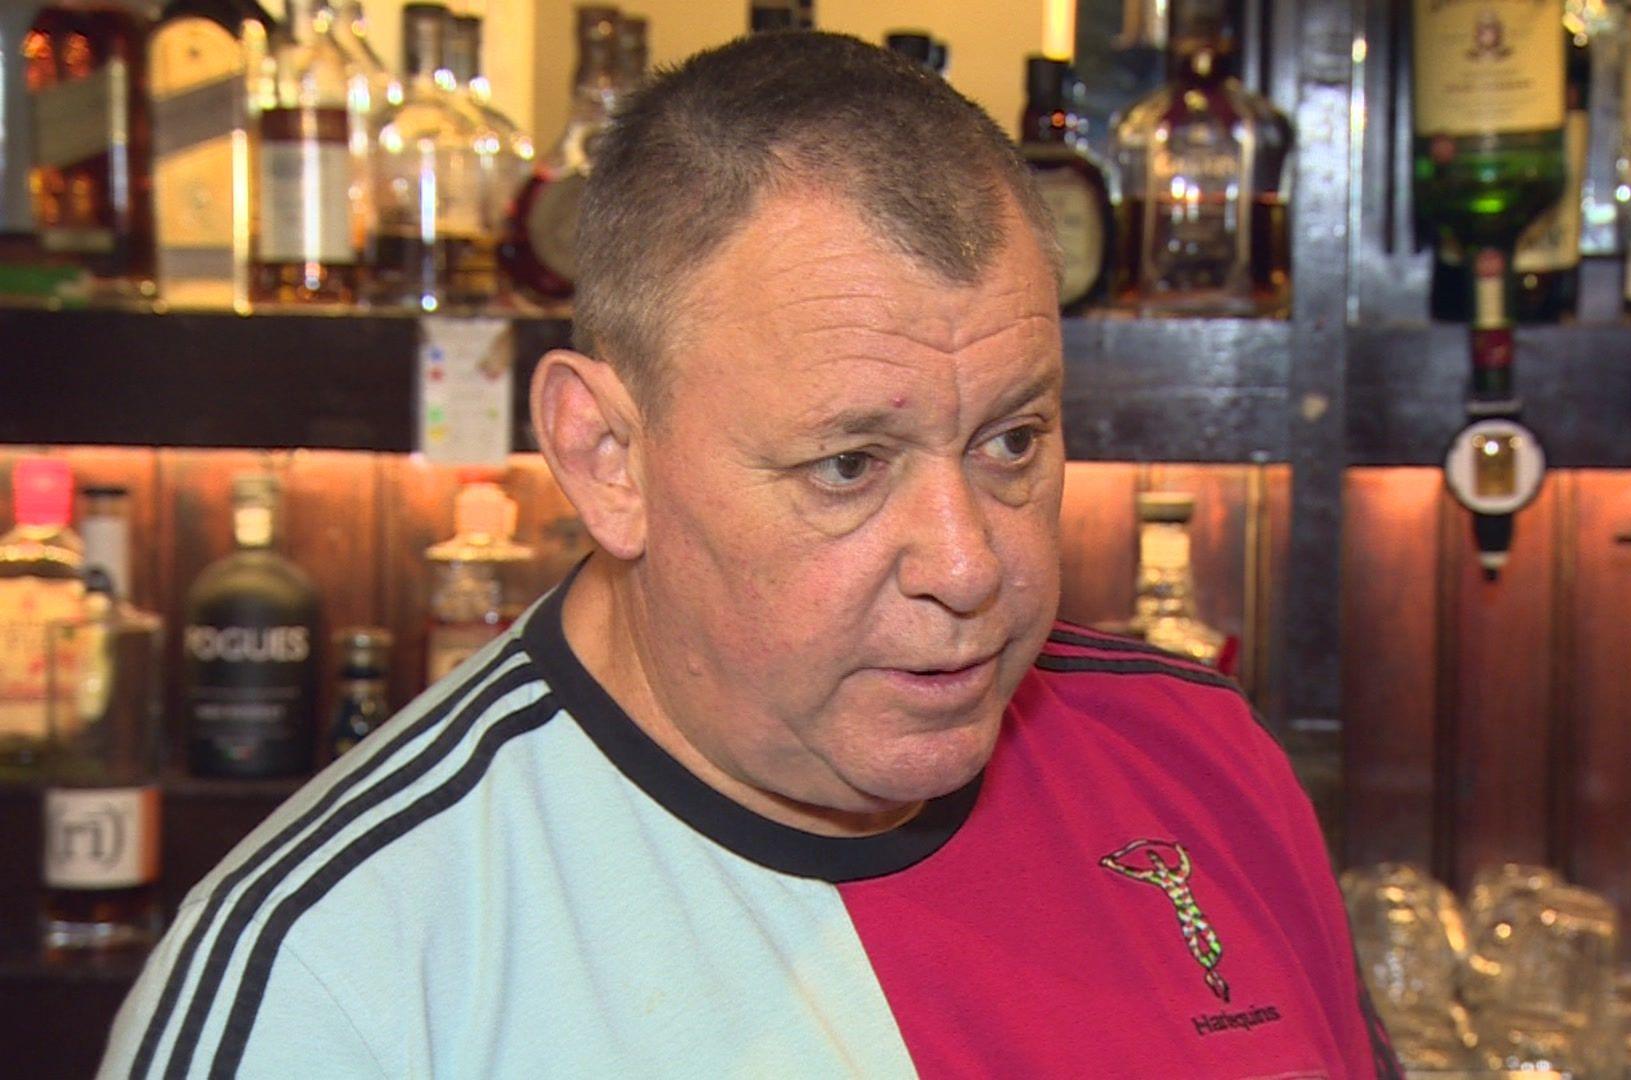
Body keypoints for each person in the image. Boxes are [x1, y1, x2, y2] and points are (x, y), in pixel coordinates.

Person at [101, 32, 1397, 1078]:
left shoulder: (1203, 764)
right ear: (608, 456)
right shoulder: (338, 975)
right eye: (848, 465)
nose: (968, 562)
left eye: (1012, 442)